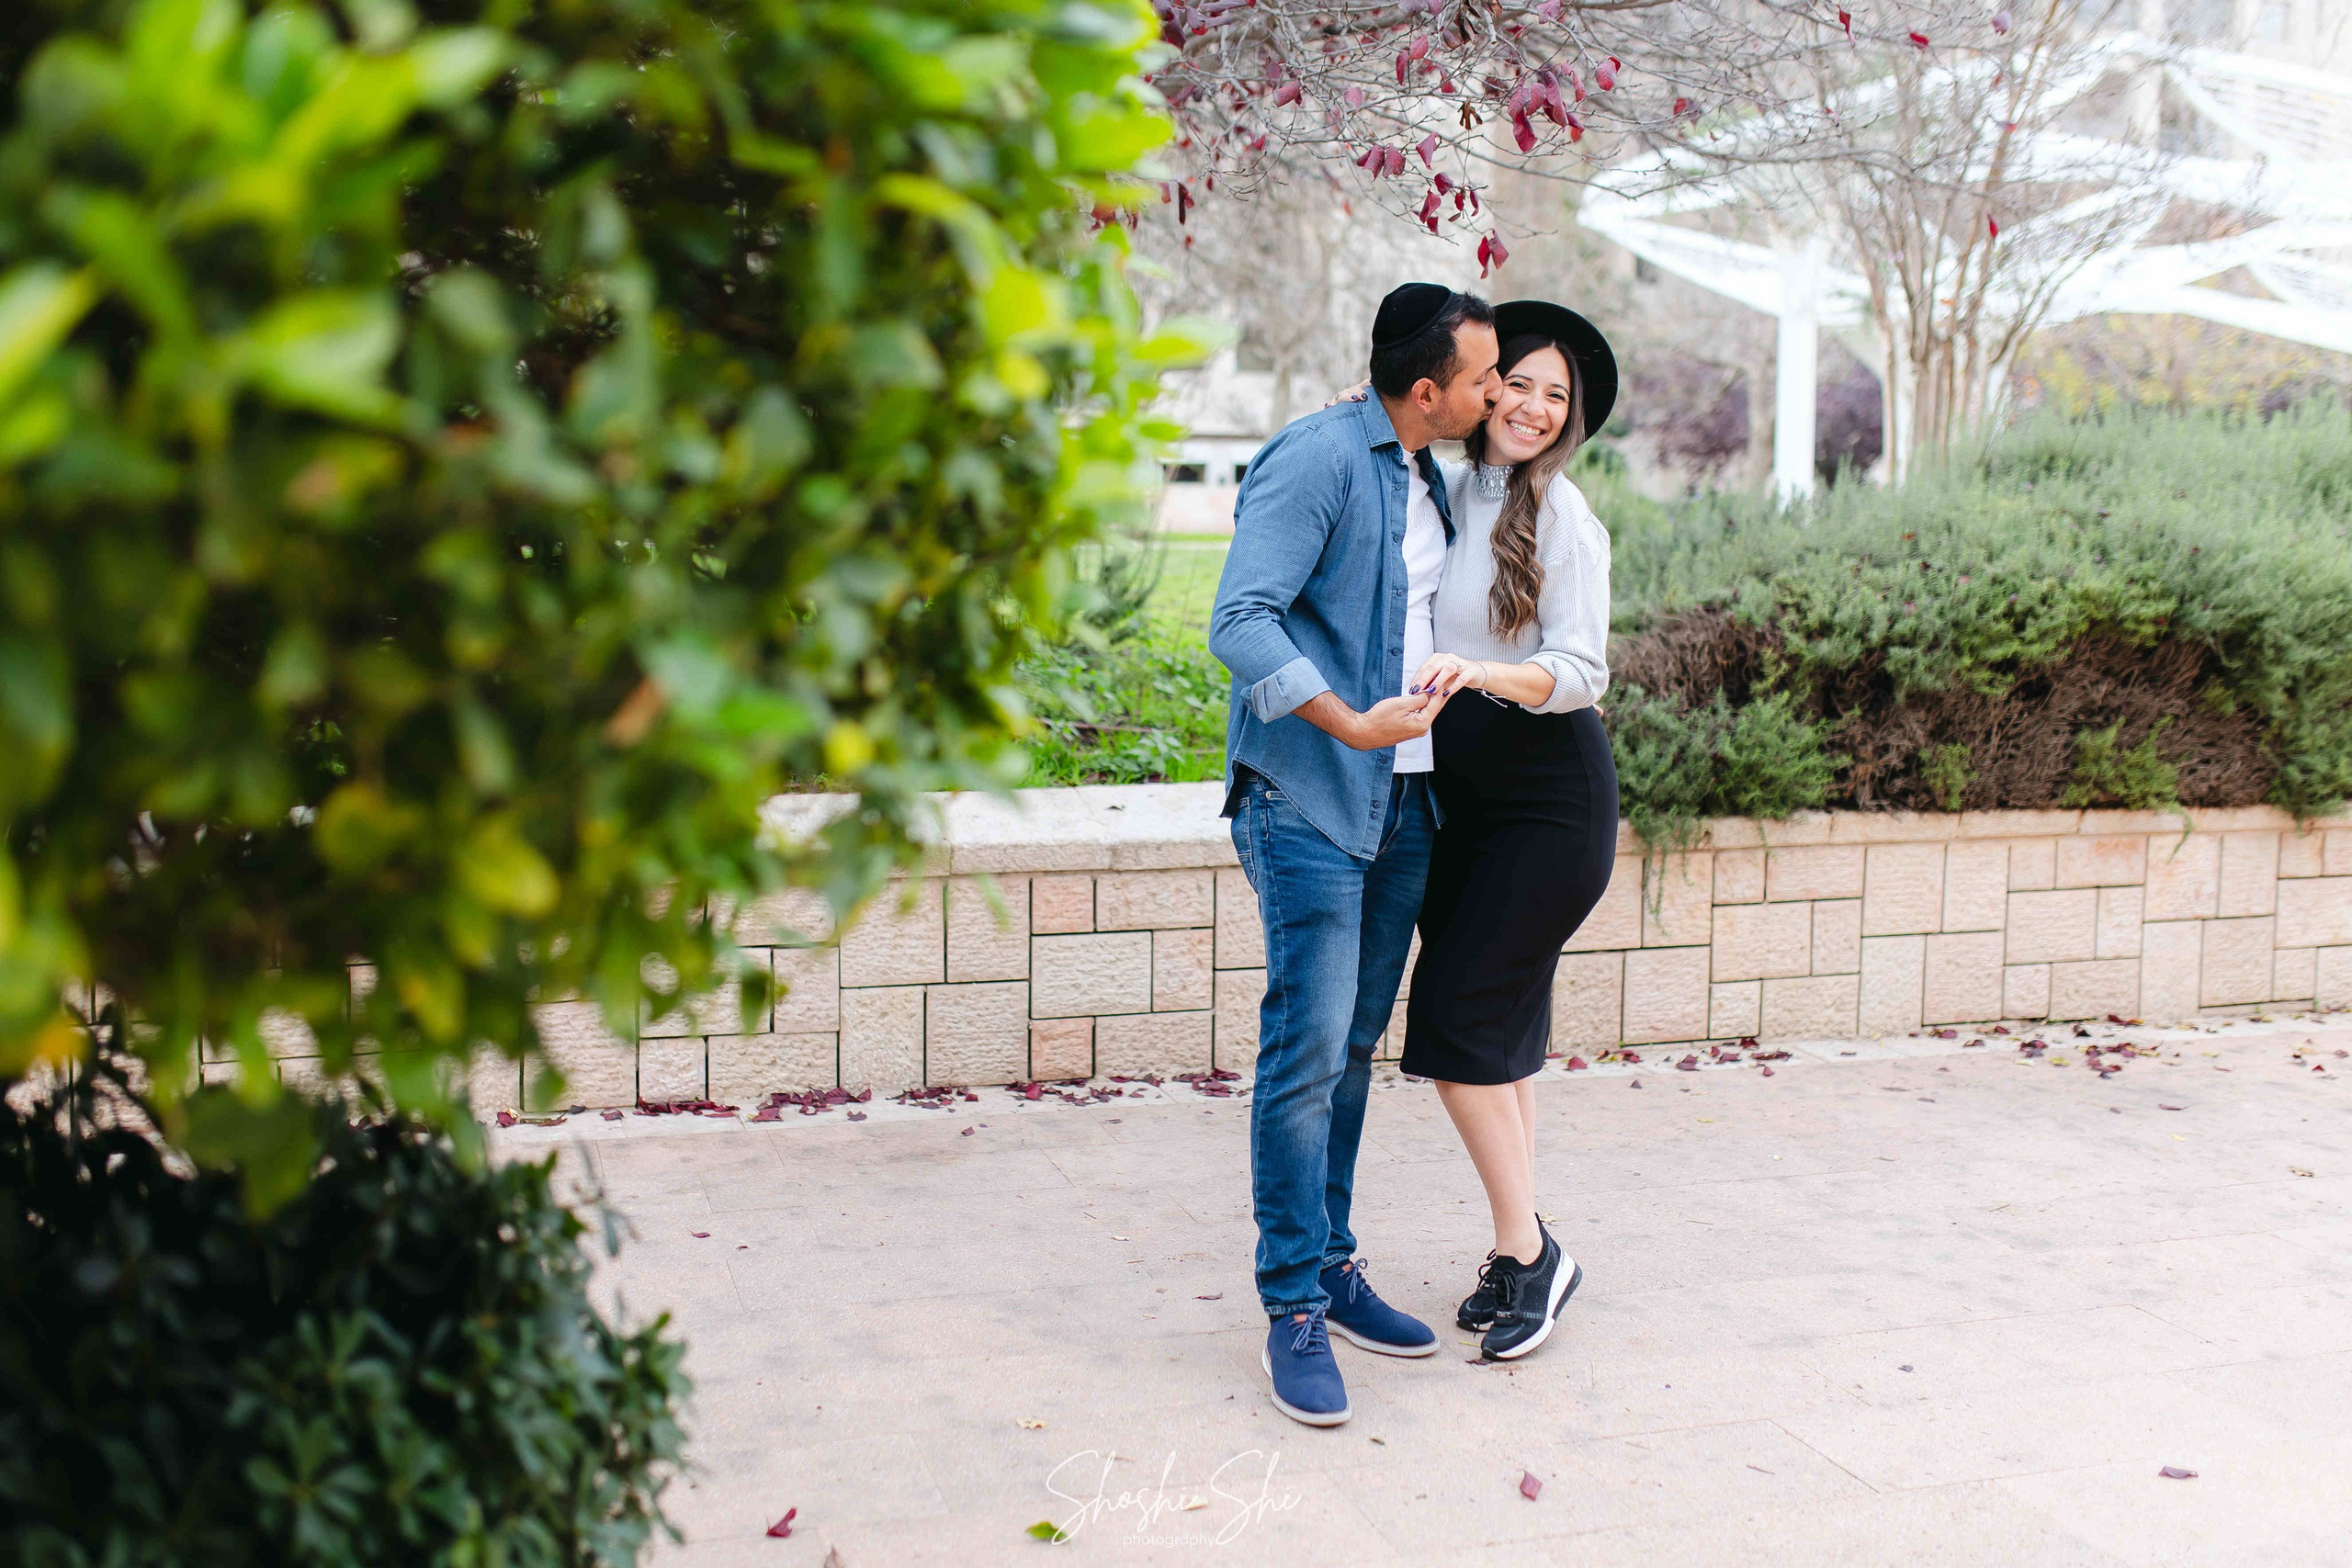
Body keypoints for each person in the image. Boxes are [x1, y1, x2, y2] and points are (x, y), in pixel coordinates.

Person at [1207, 283, 1500, 1427]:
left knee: (1354, 1049)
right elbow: (1239, 620)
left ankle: (1329, 1263)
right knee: (1306, 1047)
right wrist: (1348, 720)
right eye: (1482, 376)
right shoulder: (1319, 455)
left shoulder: (1426, 467)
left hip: (1406, 806)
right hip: (1313, 796)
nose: (1493, 390)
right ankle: (1289, 1302)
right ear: (1427, 388)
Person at [1402, 300, 1621, 1362]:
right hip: (1466, 805)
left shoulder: (1567, 517)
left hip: (1548, 802)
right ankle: (1518, 1247)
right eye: (1518, 382)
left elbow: (1582, 673)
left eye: (1554, 397)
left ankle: (1530, 1254)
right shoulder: (1441, 488)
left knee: (1455, 1028)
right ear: (1482, 386)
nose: (1531, 407)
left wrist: (1480, 675)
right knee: (1499, 1043)